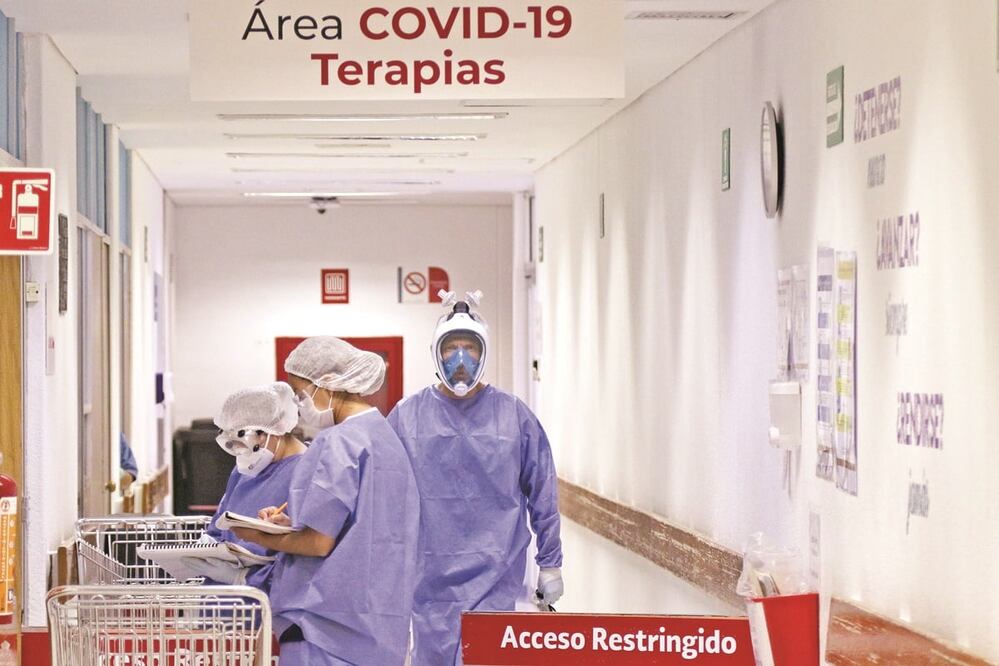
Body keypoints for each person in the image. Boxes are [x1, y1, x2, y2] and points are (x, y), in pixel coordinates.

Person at [388, 291, 564, 666]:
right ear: (436, 353)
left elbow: (543, 492)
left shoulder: (513, 415)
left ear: (484, 353)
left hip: (497, 580)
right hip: (430, 584)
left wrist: (550, 562)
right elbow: (383, 492)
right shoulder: (407, 416)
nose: (461, 358)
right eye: (452, 348)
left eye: (470, 347)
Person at [233, 336, 420, 666]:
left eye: (301, 392)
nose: (300, 403)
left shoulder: (339, 441)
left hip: (326, 628)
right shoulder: (386, 436)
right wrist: (291, 524)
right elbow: (366, 525)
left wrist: (258, 536)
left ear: (328, 384)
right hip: (378, 629)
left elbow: (318, 542)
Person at [180, 382, 306, 586]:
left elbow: (305, 558)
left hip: (264, 599)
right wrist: (206, 546)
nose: (240, 453)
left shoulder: (308, 473)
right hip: (222, 598)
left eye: (242, 443)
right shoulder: (246, 469)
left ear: (266, 433)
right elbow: (220, 525)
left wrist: (246, 579)